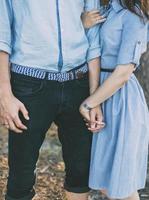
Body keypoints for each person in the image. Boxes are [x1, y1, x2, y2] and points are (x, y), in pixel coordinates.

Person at [0, 0, 106, 200]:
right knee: (20, 176)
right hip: (29, 84)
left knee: (80, 171)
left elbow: (94, 40)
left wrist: (94, 98)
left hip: (79, 82)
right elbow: (1, 33)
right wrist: (5, 94)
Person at [80, 0, 149, 199]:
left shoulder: (135, 16)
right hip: (98, 89)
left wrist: (89, 103)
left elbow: (124, 73)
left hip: (120, 98)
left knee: (120, 184)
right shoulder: (106, 8)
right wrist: (83, 24)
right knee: (104, 182)